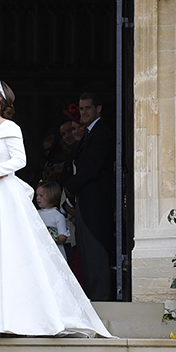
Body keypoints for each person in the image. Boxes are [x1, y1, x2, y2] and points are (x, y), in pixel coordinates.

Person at [0, 80, 112, 337]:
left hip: (4, 195)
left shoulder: (11, 128)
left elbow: (20, 160)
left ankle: (17, 316)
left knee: (10, 253)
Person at [63, 92, 116, 301]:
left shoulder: (101, 132)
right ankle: (93, 298)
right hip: (85, 203)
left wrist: (69, 187)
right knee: (87, 254)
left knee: (96, 253)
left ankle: (101, 299)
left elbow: (92, 168)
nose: (83, 112)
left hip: (96, 205)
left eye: (87, 108)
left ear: (98, 109)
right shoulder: (88, 133)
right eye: (81, 108)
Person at [36, 181, 70, 261]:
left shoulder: (57, 216)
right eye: (37, 195)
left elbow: (63, 236)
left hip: (54, 251)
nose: (37, 198)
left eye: (41, 196)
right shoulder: (35, 213)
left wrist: (51, 238)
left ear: (51, 196)